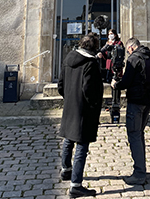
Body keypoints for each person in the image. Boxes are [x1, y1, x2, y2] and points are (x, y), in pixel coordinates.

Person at [58, 33, 104, 198]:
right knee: (82, 146)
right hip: (84, 110)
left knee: (68, 139)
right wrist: (94, 105)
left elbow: (61, 85)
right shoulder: (90, 64)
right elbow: (89, 90)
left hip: (70, 106)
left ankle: (65, 170)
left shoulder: (68, 58)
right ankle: (76, 185)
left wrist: (70, 98)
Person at [111, 37, 150, 185]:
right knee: (139, 133)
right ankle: (141, 168)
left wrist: (115, 85)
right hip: (148, 100)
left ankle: (139, 173)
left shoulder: (134, 59)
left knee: (134, 135)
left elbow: (126, 82)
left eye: (127, 50)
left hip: (136, 101)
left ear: (131, 47)